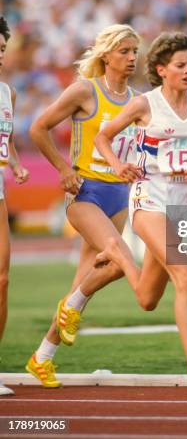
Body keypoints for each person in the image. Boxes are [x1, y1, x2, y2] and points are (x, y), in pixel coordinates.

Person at [95, 32, 187, 392]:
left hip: (180, 207)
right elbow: (102, 137)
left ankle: (118, 255)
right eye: (180, 66)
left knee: (147, 299)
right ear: (161, 69)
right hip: (148, 201)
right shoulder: (145, 105)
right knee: (185, 277)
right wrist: (117, 166)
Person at [26, 24, 146, 388]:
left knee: (85, 283)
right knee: (121, 258)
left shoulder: (139, 100)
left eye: (134, 52)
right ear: (105, 54)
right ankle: (71, 305)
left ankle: (42, 357)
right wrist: (63, 169)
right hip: (85, 192)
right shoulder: (85, 91)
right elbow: (38, 128)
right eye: (124, 51)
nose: (130, 58)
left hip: (119, 195)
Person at [0, 16, 30, 396]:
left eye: (3, 48)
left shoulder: (8, 92)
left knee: (3, 279)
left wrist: (17, 163)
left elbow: (6, 140)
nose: (0, 54)